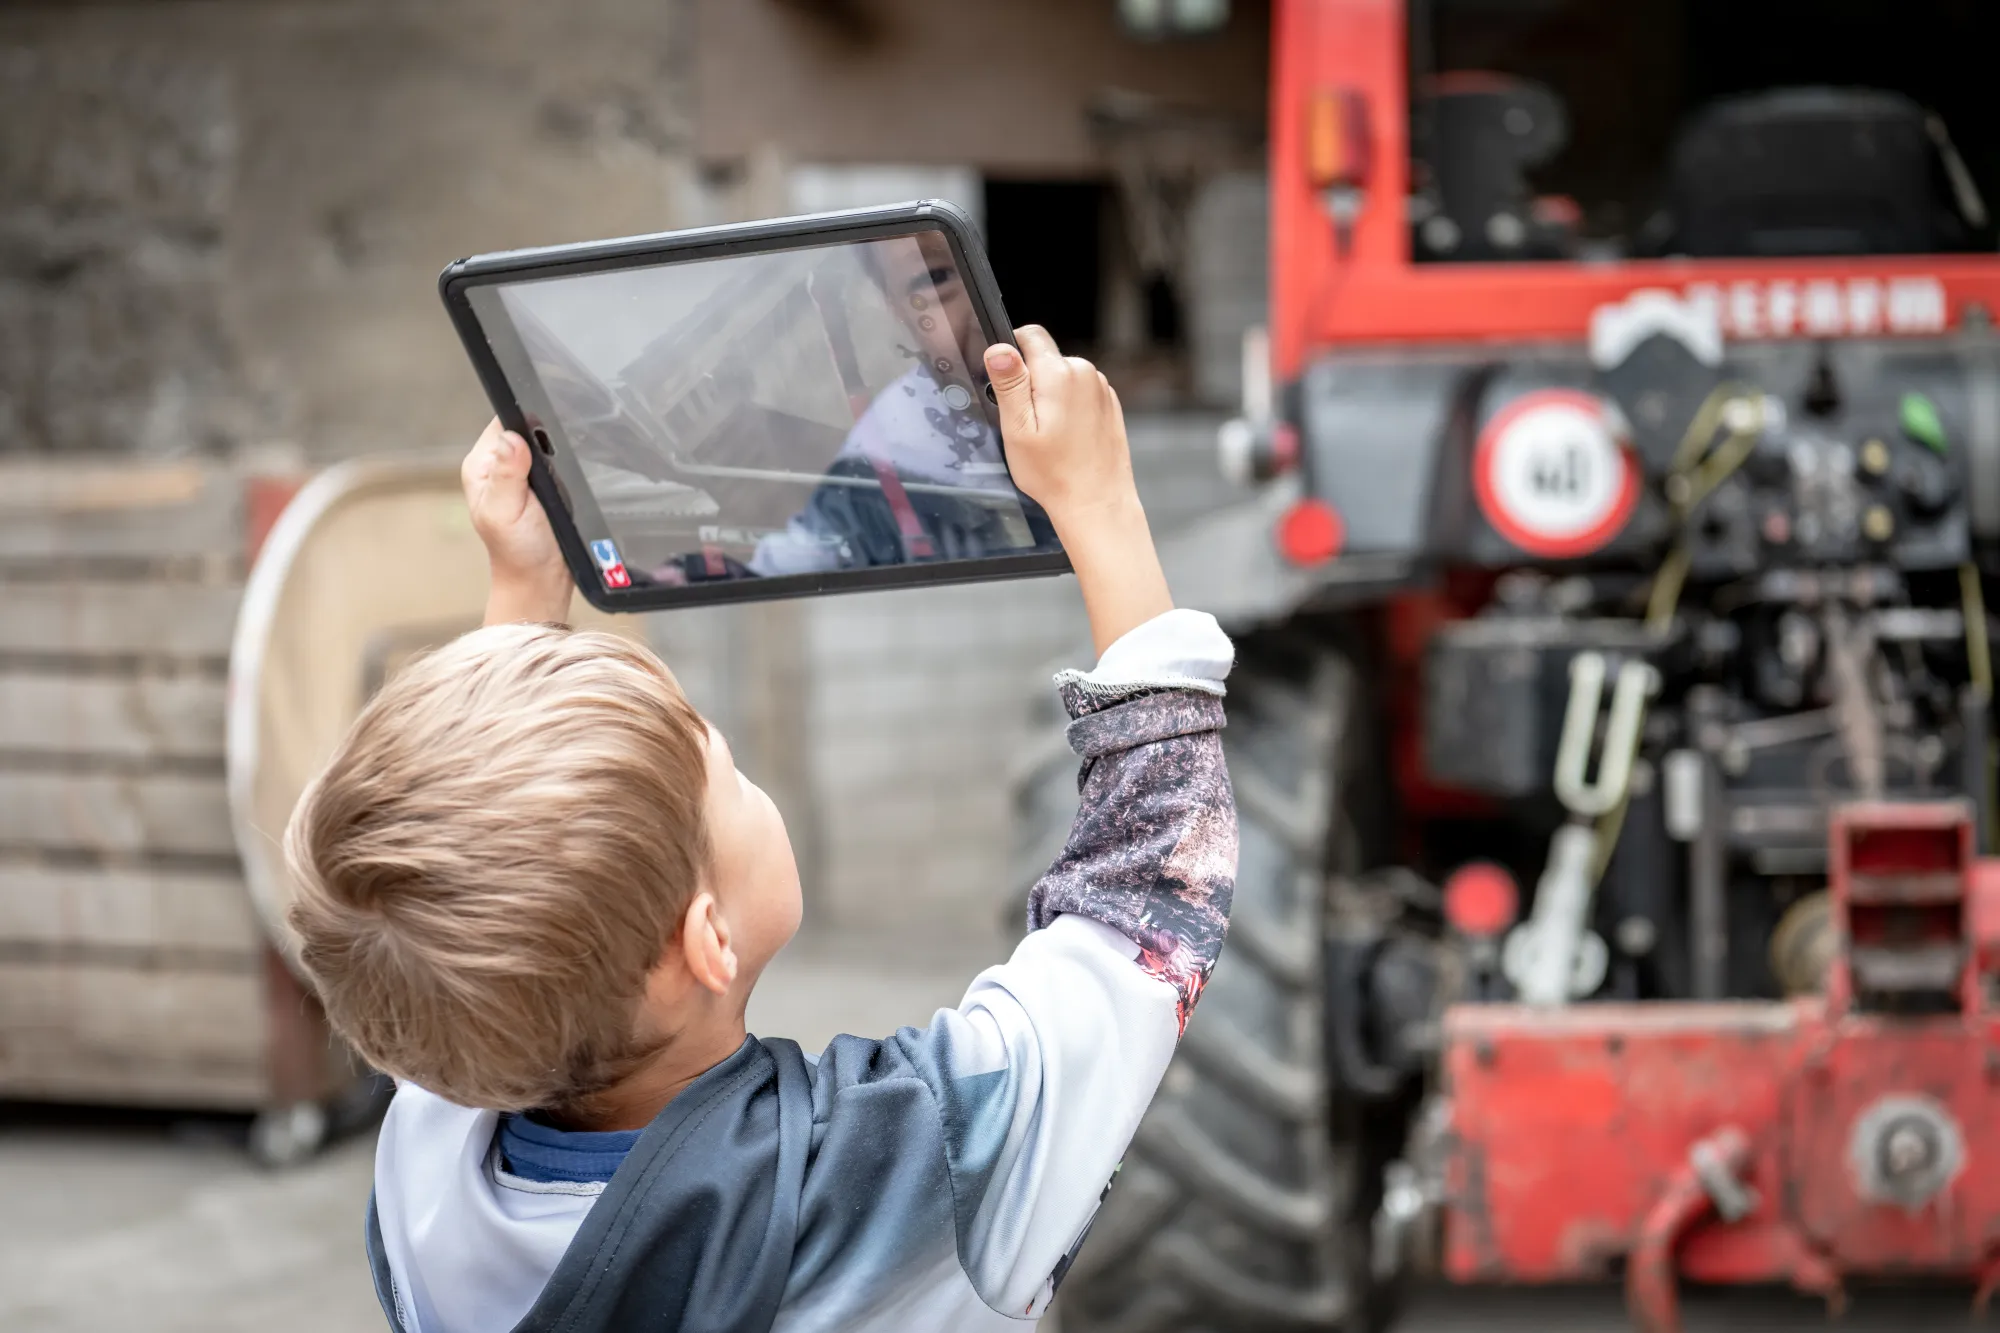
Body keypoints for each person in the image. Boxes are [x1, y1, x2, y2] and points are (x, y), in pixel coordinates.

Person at [284, 327, 1238, 1333]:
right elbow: (1144, 891)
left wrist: (524, 600)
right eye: (725, 770)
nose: (741, 774)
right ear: (706, 938)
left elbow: (461, 887)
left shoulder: (426, 1167)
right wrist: (1099, 504)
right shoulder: (912, 1167)